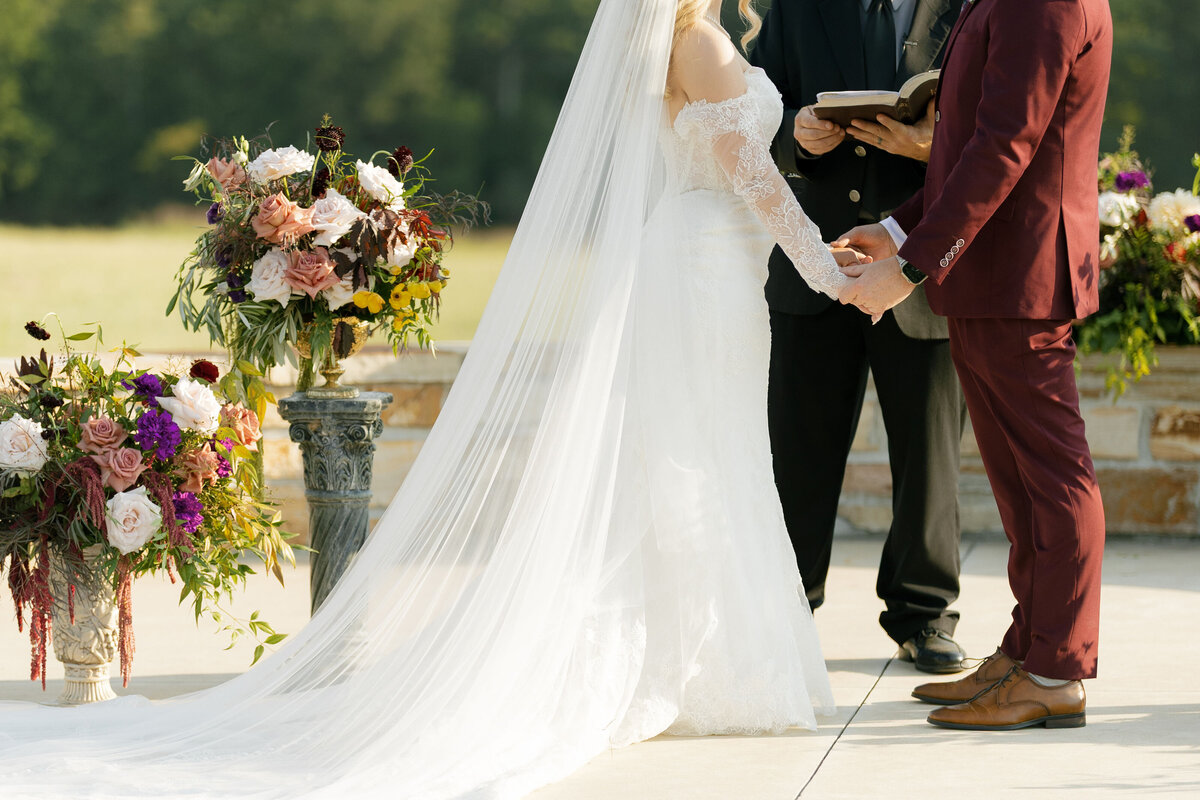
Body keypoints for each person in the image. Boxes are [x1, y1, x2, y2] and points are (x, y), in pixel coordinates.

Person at [0, 2, 867, 797]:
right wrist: (829, 271)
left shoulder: (682, 44)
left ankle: (699, 658)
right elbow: (748, 174)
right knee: (700, 455)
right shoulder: (701, 42)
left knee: (703, 454)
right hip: (708, 262)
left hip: (707, 260)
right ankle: (706, 666)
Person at [839, 0, 1112, 730]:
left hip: (1023, 273)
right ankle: (1027, 652)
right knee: (1020, 487)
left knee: (1053, 480)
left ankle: (1056, 670)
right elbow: (968, 144)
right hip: (990, 277)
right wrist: (899, 229)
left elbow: (1005, 147)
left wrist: (911, 268)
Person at [750, 0, 968, 674]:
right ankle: (784, 610)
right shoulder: (792, 5)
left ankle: (924, 616)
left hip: (923, 270)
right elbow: (751, 107)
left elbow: (998, 127)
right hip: (814, 262)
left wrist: (937, 144)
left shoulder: (970, 9)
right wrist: (796, 136)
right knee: (796, 455)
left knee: (931, 459)